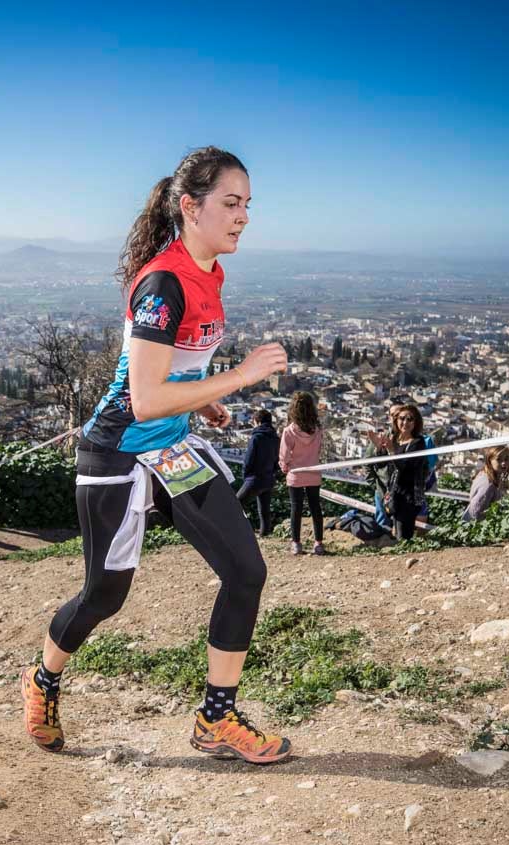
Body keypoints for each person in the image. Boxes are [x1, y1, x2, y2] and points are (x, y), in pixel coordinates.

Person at [21, 147, 291, 765]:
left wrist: (198, 403)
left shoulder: (210, 272)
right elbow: (142, 399)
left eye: (248, 204)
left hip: (169, 447)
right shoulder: (164, 282)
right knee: (105, 595)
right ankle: (44, 680)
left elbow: (171, 378)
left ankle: (215, 721)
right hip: (116, 449)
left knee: (246, 571)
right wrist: (239, 378)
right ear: (190, 208)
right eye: (231, 203)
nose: (243, 216)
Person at [370, 403, 428, 540]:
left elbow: (406, 469)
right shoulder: (394, 439)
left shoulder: (417, 443)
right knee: (396, 533)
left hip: (409, 496)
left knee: (403, 535)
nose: (405, 422)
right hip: (394, 494)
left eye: (410, 419)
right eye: (402, 418)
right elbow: (381, 464)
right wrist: (378, 448)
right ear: (396, 420)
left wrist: (391, 452)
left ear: (416, 422)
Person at [278, 391, 325, 555]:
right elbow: (318, 450)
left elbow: (284, 455)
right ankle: (318, 543)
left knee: (296, 508)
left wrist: (285, 466)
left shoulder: (289, 431)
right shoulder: (317, 429)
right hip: (313, 471)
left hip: (296, 473)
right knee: (315, 508)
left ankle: (296, 543)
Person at [237, 408, 280, 536]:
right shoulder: (276, 438)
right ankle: (265, 533)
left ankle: (240, 532)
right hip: (269, 478)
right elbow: (277, 460)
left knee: (236, 504)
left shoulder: (256, 438)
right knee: (264, 509)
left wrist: (246, 475)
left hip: (254, 478)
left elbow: (248, 459)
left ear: (257, 422)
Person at [463, 445, 509, 522]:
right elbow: (476, 513)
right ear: (489, 461)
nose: (504, 463)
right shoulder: (489, 485)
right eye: (498, 459)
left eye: (506, 459)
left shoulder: (486, 473)